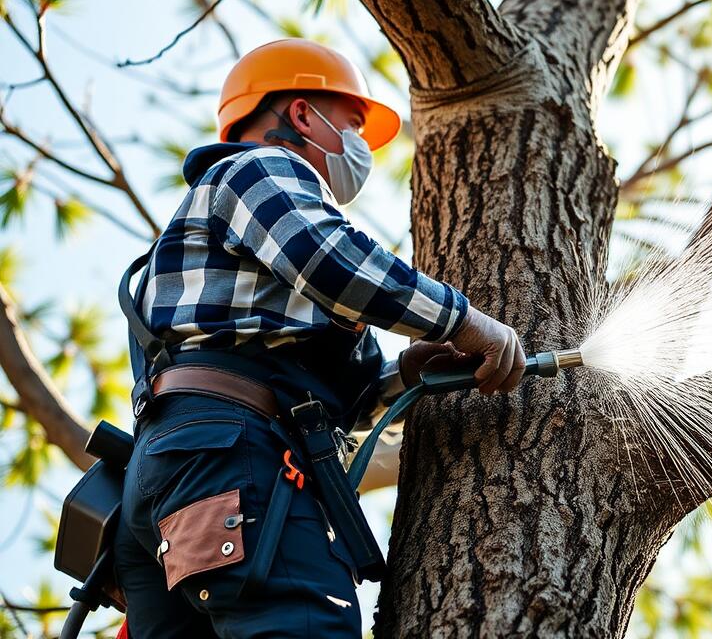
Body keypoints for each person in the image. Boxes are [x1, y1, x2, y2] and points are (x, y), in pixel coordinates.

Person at [110, 38, 524, 638]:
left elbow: (321, 393)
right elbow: (331, 262)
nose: (360, 147)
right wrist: (466, 321)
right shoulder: (261, 169)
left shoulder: (238, 288)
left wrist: (403, 374)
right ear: (303, 114)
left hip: (180, 473)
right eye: (352, 125)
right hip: (233, 455)